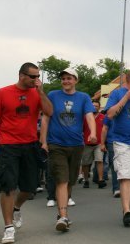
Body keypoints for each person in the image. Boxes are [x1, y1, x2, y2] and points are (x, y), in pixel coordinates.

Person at [0, 62, 54, 244]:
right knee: (8, 185)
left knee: (29, 188)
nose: (36, 80)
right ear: (21, 75)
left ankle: (16, 207)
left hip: (30, 144)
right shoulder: (3, 93)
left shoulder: (36, 92)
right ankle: (8, 227)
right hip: (8, 144)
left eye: (38, 76)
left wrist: (40, 92)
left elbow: (49, 112)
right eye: (33, 76)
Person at [41, 68, 97, 232]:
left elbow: (89, 116)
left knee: (70, 181)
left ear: (75, 81)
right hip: (56, 144)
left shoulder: (83, 97)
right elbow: (45, 118)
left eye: (69, 78)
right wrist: (43, 141)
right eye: (63, 78)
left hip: (76, 145)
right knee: (62, 180)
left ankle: (63, 213)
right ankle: (63, 216)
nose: (66, 81)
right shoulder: (53, 95)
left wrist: (93, 133)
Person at [102, 68, 130, 226]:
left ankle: (127, 209)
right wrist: (127, 97)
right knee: (125, 176)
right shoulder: (117, 94)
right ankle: (127, 211)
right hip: (121, 141)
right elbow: (110, 114)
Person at [81, 101, 107, 189]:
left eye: (96, 106)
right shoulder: (85, 117)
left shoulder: (103, 117)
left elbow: (106, 130)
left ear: (99, 107)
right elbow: (81, 130)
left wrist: (104, 143)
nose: (95, 107)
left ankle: (100, 180)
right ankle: (86, 180)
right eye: (93, 106)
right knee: (85, 163)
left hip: (99, 143)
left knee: (99, 161)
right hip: (87, 144)